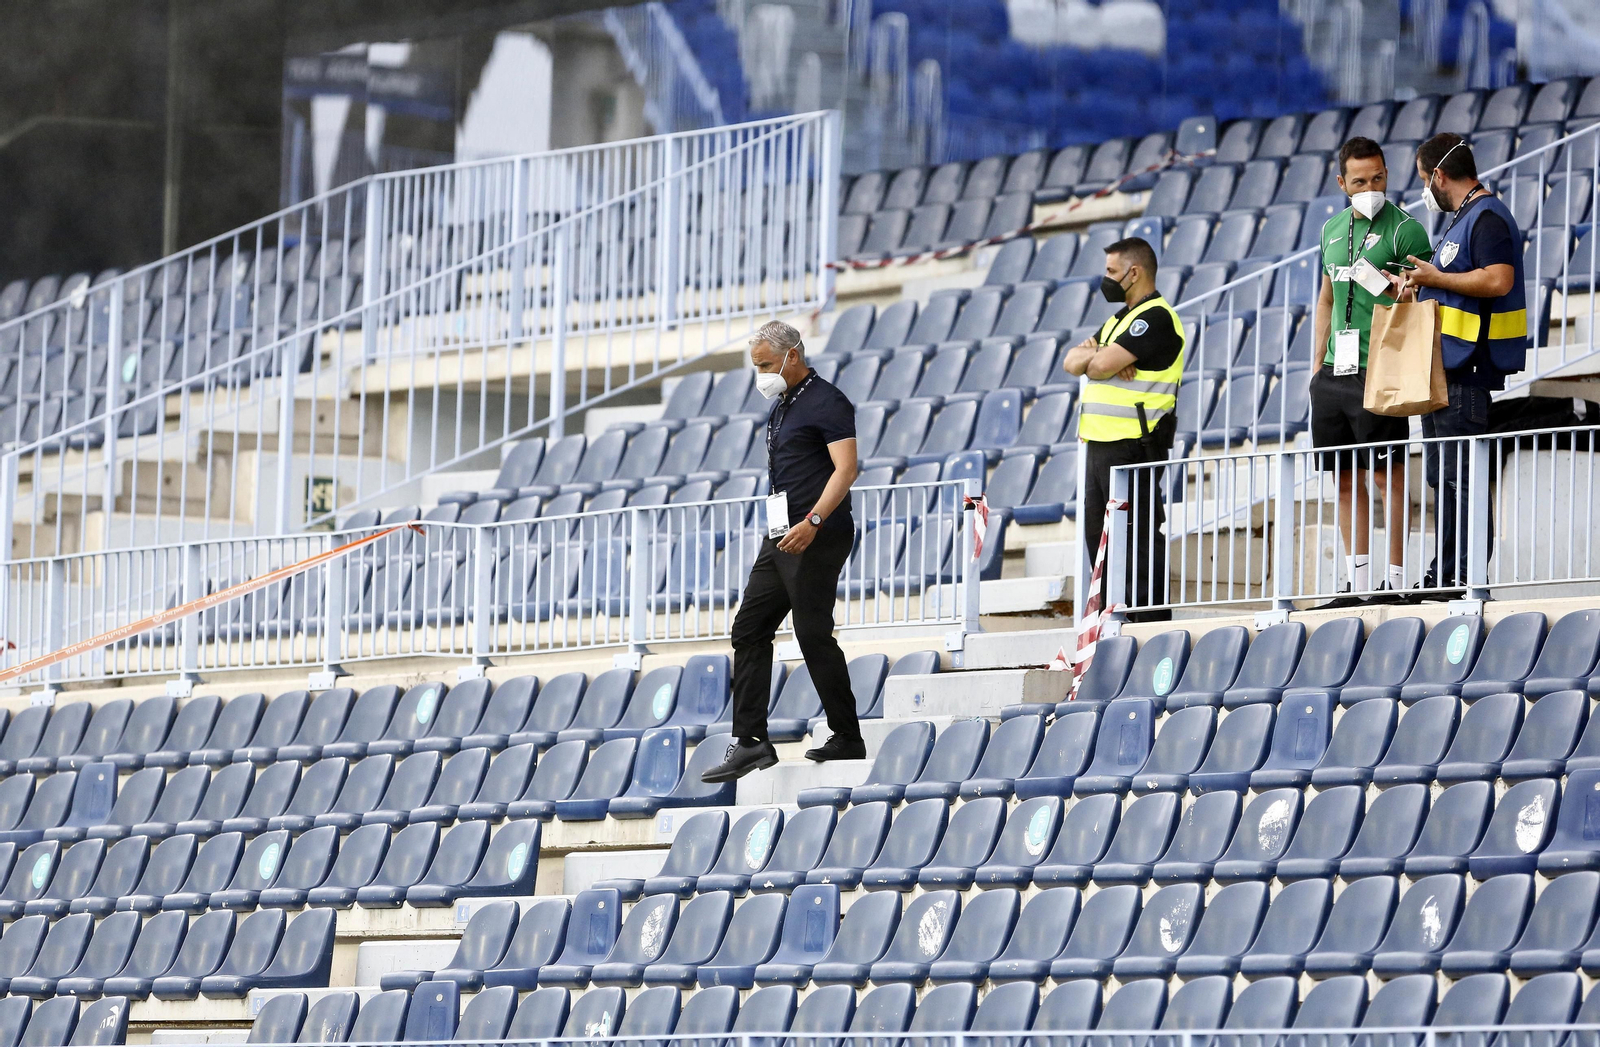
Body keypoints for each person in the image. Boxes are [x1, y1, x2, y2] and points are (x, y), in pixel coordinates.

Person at [702, 321, 863, 783]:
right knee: (749, 628)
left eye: (766, 365)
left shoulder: (828, 401)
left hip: (816, 533)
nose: (761, 375)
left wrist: (813, 522)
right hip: (781, 535)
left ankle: (847, 734)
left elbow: (846, 469)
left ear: (793, 355)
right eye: (756, 366)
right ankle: (751, 740)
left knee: (812, 634)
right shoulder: (783, 404)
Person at [1399, 132, 1527, 595]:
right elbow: (1453, 283)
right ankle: (1445, 572)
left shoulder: (1487, 217)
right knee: (1443, 477)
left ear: (1438, 176)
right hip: (1443, 369)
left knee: (1462, 477)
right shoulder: (1463, 219)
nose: (1424, 190)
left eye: (1423, 179)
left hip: (1468, 367)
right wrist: (1422, 284)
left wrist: (1437, 277)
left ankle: (1466, 576)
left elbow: (1497, 280)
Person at [1311, 136, 1433, 608]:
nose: (1370, 188)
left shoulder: (1406, 230)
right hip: (1333, 372)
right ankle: (1357, 583)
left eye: (1377, 178)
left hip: (1380, 370)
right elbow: (1326, 299)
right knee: (1344, 480)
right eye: (1360, 181)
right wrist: (1315, 365)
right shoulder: (1331, 230)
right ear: (1342, 183)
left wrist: (1401, 289)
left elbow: (1423, 299)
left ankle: (1396, 580)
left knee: (1389, 478)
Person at [1063, 236, 1184, 622]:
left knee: (1138, 535)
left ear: (1134, 273)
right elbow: (1071, 361)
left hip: (1135, 443)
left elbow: (1096, 367)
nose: (1106, 279)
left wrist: (1098, 356)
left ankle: (1148, 622)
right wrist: (1105, 355)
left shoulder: (1156, 317)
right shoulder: (1119, 321)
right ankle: (1109, 617)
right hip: (1101, 443)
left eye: (1111, 271)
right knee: (1099, 537)